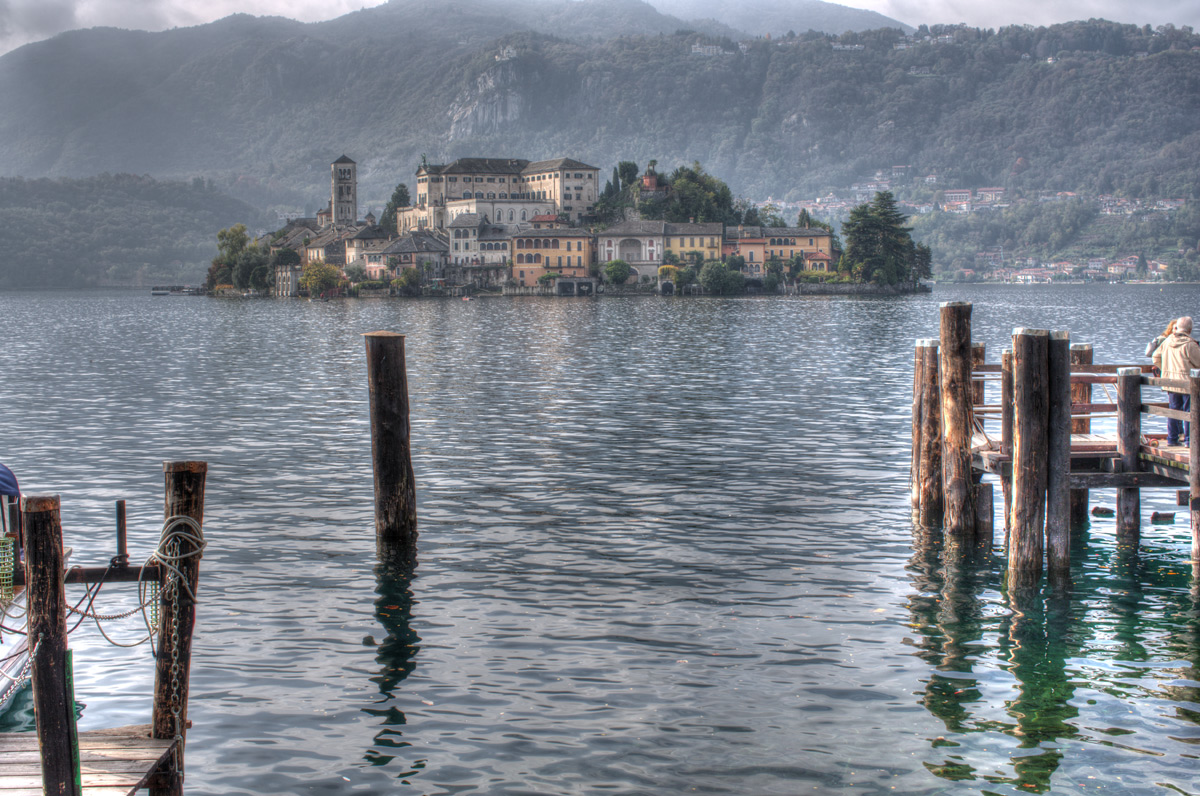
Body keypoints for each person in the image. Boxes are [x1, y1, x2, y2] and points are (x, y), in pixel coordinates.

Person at [1152, 316, 1200, 446]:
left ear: (1177, 327)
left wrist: (1165, 370)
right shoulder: (1190, 345)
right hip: (1187, 384)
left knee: (1173, 411)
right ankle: (1189, 441)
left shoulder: (1167, 342)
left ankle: (1172, 439)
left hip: (1170, 382)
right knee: (1190, 412)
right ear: (1190, 329)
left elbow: (1155, 357)